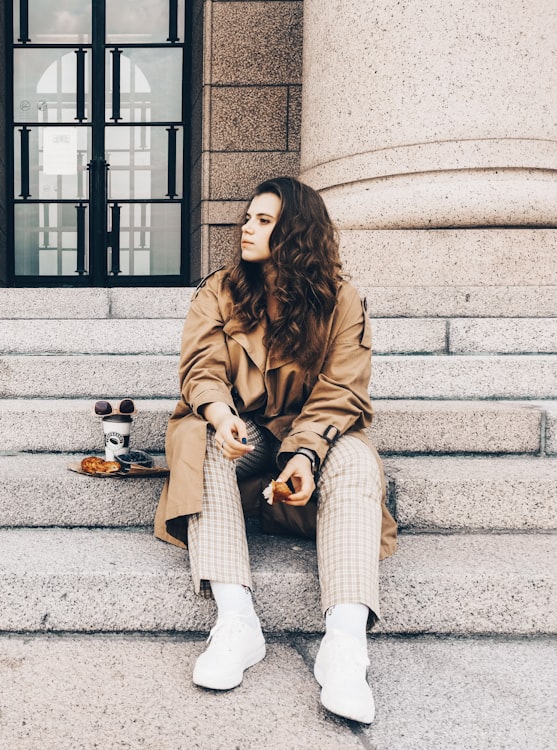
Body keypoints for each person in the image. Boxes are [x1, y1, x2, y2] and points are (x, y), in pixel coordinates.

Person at [154, 176, 397, 724]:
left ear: (295, 233)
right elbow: (201, 370)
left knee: (358, 456)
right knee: (201, 438)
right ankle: (237, 621)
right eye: (248, 217)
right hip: (243, 433)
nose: (246, 227)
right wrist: (220, 416)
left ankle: (345, 643)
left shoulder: (341, 300)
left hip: (308, 440)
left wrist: (304, 455)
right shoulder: (219, 290)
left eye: (263, 221)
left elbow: (342, 390)